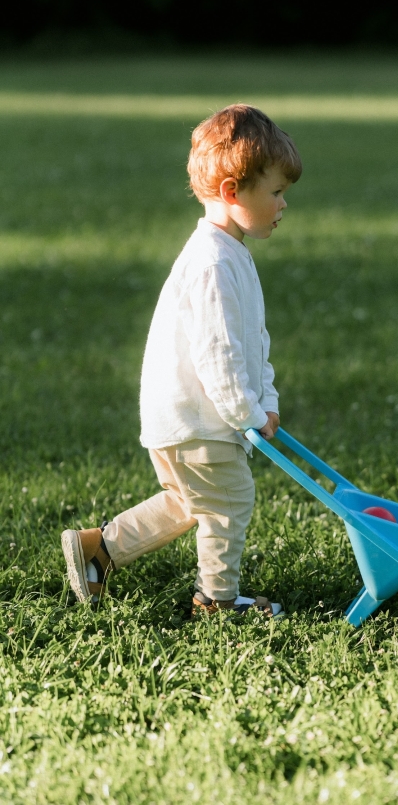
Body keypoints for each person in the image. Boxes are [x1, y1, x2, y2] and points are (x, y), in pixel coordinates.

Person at [61, 104, 302, 617]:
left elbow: (251, 341)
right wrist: (249, 414)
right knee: (227, 504)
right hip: (200, 421)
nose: (284, 204)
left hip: (183, 419)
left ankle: (97, 548)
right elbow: (219, 356)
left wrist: (267, 400)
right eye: (276, 192)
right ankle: (217, 600)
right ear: (234, 192)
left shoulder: (228, 252)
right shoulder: (214, 263)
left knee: (188, 503)